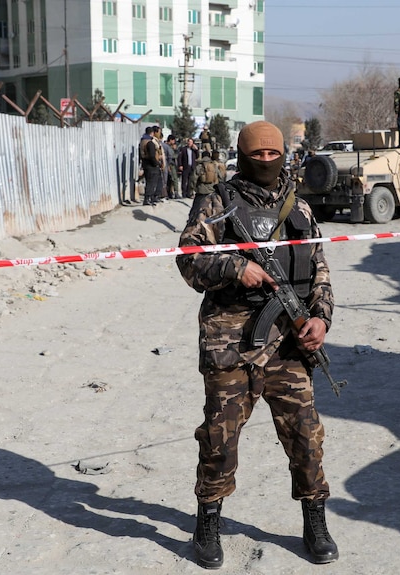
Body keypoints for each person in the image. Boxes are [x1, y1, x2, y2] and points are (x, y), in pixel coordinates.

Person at [176, 120, 338, 569]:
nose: (266, 161)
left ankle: (315, 520)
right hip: (231, 342)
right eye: (257, 155)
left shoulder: (301, 210)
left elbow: (319, 271)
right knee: (219, 438)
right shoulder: (218, 201)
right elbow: (188, 260)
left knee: (306, 434)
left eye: (273, 154)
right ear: (243, 157)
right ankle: (208, 521)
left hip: (289, 342)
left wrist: (320, 319)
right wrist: (234, 268)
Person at [141, 127, 164, 206]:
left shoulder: (142, 141)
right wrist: (156, 163)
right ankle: (148, 198)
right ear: (152, 133)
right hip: (151, 165)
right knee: (152, 182)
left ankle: (148, 198)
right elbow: (152, 155)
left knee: (149, 182)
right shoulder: (150, 142)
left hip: (145, 163)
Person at [165, 134, 180, 199]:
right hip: (170, 164)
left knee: (170, 180)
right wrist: (176, 150)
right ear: (171, 140)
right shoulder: (168, 147)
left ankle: (169, 193)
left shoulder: (165, 146)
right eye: (173, 140)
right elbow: (173, 156)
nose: (174, 142)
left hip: (168, 164)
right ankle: (175, 193)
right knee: (174, 179)